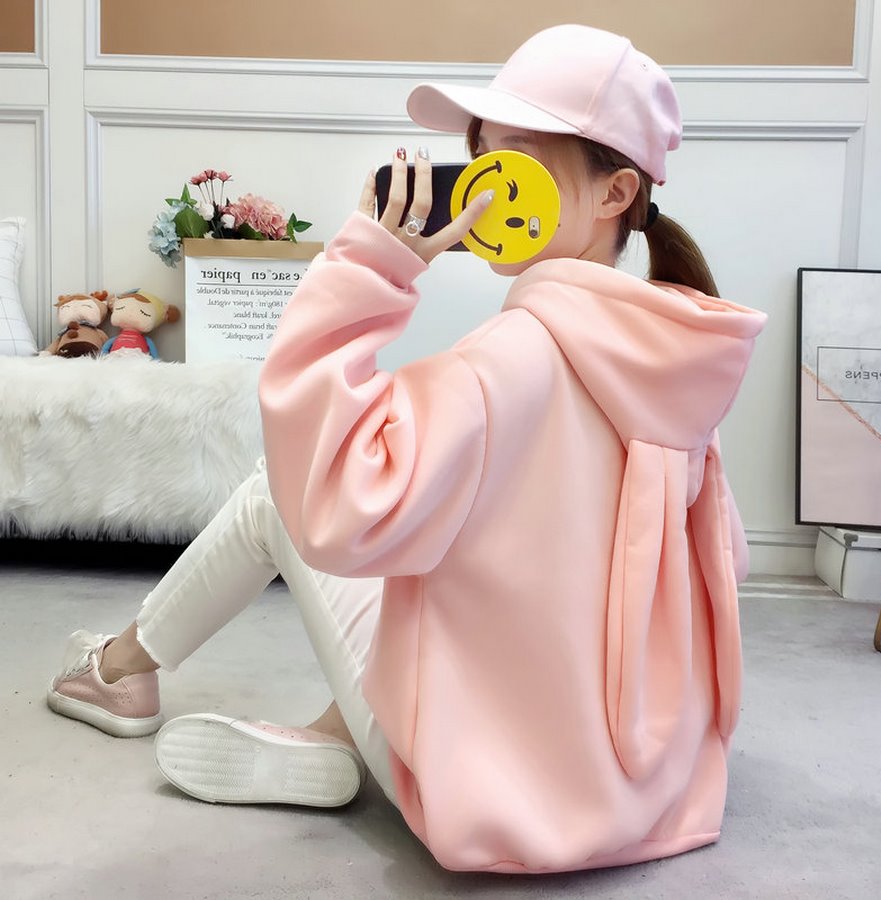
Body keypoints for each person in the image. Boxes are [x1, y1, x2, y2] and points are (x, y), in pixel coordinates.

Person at [48, 24, 766, 874]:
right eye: (480, 159)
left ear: (613, 193)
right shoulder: (676, 359)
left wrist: (364, 275)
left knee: (281, 491)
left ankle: (123, 672)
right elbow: (724, 562)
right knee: (465, 541)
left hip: (488, 795)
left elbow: (334, 508)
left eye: (514, 164)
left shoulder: (509, 361)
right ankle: (335, 730)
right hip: (643, 786)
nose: (483, 192)